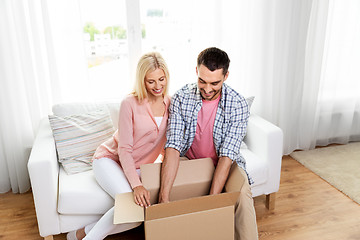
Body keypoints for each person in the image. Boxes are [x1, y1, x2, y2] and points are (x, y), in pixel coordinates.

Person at [67, 52, 171, 240]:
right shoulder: (129, 103)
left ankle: (82, 233)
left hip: (137, 166)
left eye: (161, 79)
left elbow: (166, 144)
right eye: (151, 81)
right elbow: (124, 150)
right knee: (130, 207)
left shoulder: (171, 104)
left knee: (135, 219)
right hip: (109, 160)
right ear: (142, 81)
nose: (157, 86)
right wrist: (137, 185)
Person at [158, 47, 258, 240]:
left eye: (215, 83)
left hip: (225, 161)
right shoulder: (181, 97)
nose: (207, 89)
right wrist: (163, 199)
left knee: (243, 195)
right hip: (191, 159)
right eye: (202, 81)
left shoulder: (237, 104)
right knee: (167, 191)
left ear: (226, 76)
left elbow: (227, 155)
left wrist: (213, 204)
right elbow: (173, 145)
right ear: (196, 71)